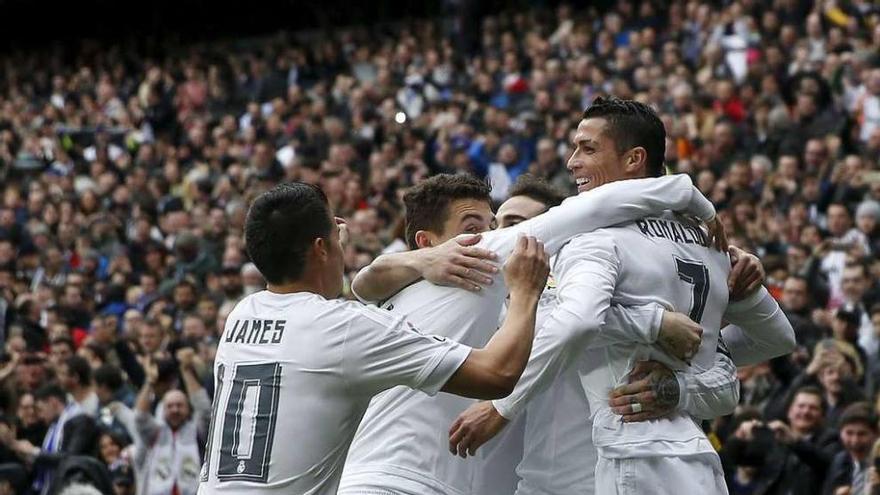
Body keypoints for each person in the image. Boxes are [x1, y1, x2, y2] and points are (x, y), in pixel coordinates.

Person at [448, 97, 794, 494]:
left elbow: (573, 321)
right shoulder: (711, 245)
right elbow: (776, 338)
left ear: (633, 159)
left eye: (588, 148)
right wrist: (674, 353)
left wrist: (499, 407)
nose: (572, 161)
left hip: (622, 458)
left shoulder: (594, 241)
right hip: (694, 459)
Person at [340, 168, 721, 492]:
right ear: (429, 242)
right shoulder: (480, 262)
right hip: (408, 480)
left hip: (371, 474)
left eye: (491, 226)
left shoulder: (390, 296)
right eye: (475, 228)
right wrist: (694, 201)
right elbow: (596, 209)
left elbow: (362, 283)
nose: (491, 235)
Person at [197, 181, 551, 494]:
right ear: (320, 248)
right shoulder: (347, 327)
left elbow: (319, 319)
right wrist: (525, 293)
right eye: (336, 234)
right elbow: (496, 374)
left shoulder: (241, 316)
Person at [134, 350, 209, 495]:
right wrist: (149, 381)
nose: (175, 410)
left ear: (188, 409)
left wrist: (186, 371)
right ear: (163, 409)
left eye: (179, 405)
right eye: (170, 406)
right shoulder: (155, 433)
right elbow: (140, 417)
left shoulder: (198, 433)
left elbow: (205, 411)